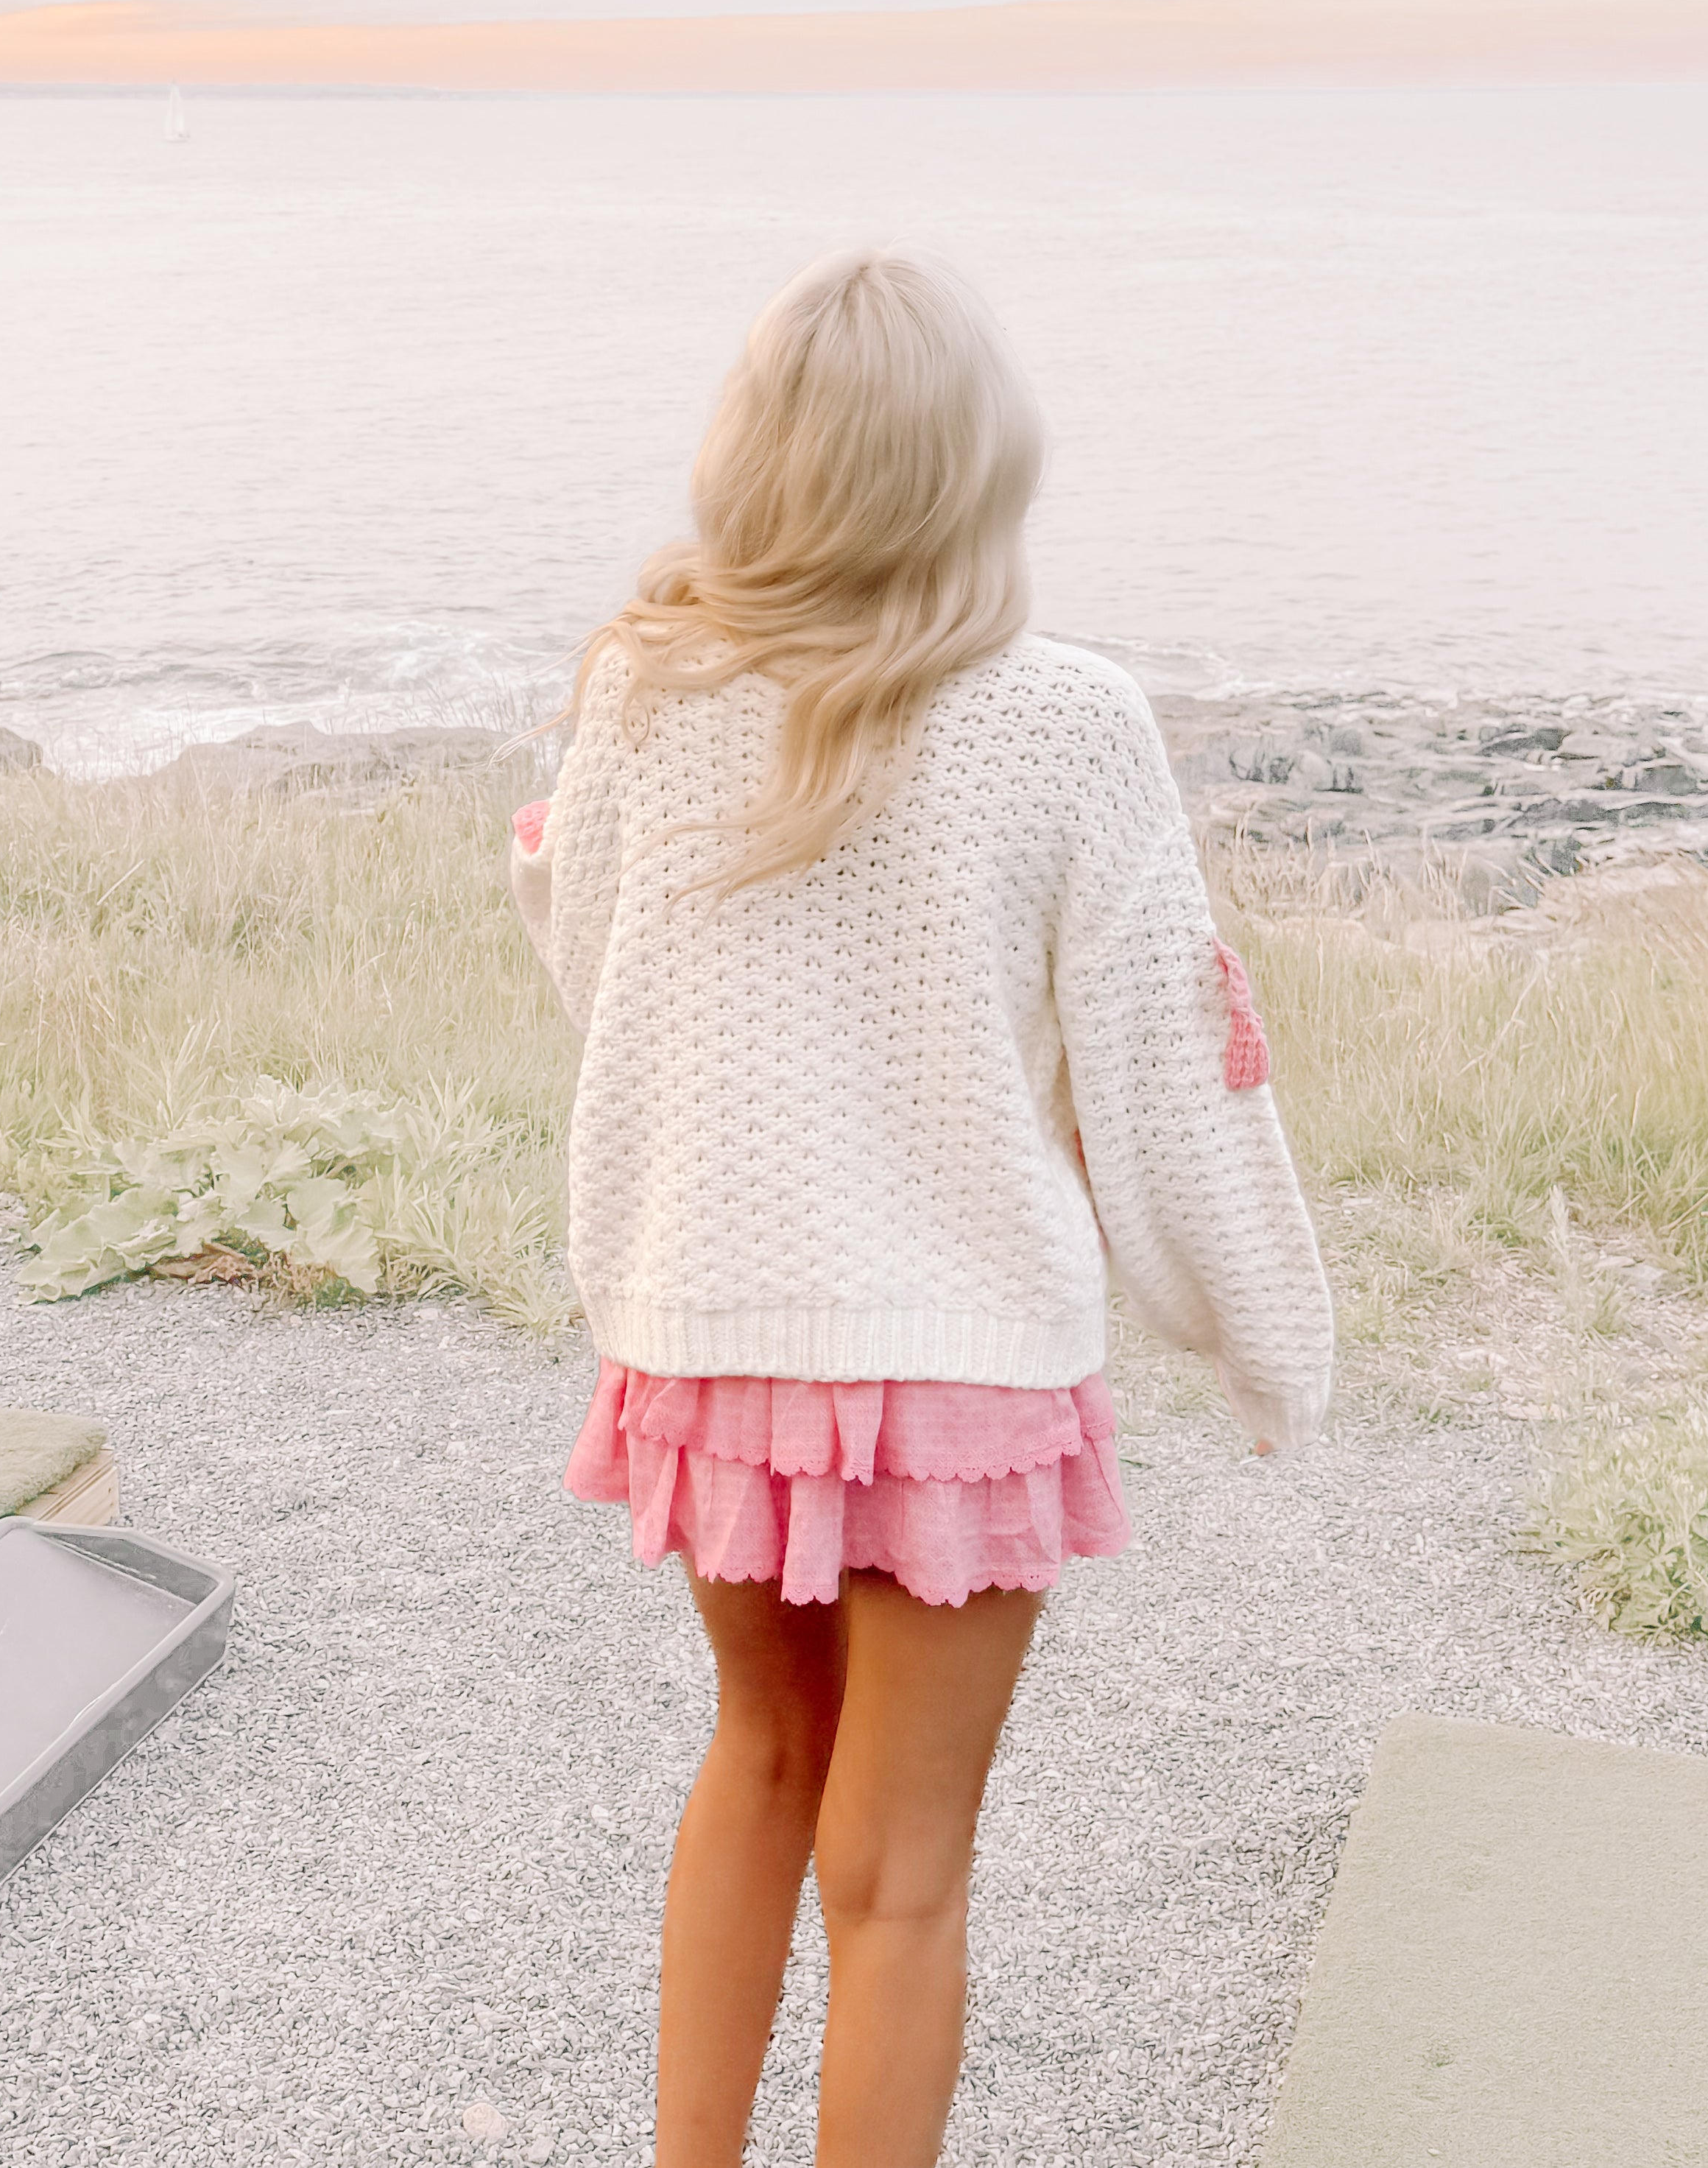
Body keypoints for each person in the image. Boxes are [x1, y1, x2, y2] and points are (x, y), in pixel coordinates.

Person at [510, 248, 1334, 2167]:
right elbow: (1166, 1072)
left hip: (710, 1330)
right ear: (976, 469)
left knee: (759, 1762)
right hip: (962, 1367)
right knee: (899, 1876)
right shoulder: (1068, 722)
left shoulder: (649, 684)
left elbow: (602, 966)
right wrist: (1266, 1344)